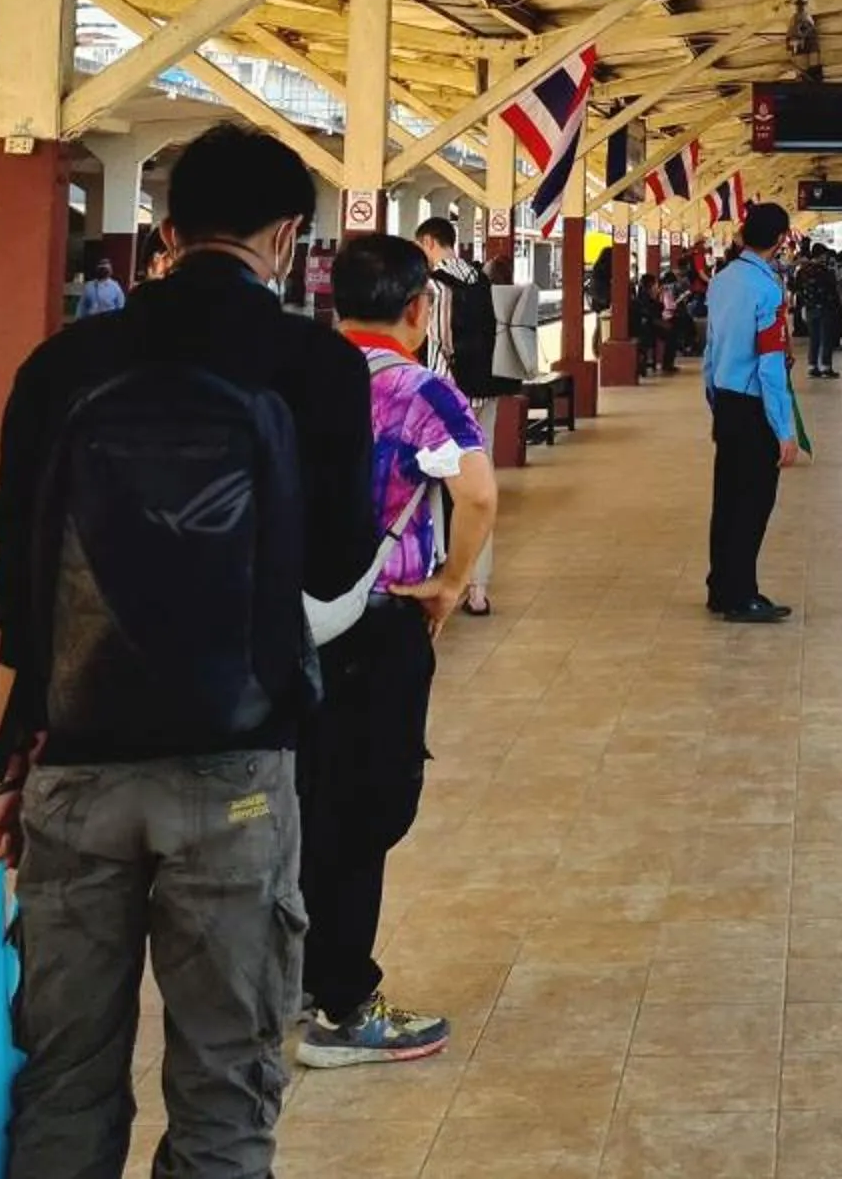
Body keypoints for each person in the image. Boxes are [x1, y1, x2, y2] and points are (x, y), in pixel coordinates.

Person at [0, 123, 376, 1179]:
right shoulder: (318, 365)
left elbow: (15, 567)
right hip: (237, 769)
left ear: (165, 229)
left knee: (61, 1072)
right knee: (224, 1076)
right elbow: (340, 562)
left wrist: (14, 747)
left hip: (76, 757)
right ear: (289, 236)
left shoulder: (65, 361)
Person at [302, 234, 496, 1068]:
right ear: (419, 309)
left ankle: (300, 975)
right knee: (370, 806)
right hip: (380, 623)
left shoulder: (292, 377)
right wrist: (451, 583)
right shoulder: (423, 390)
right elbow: (477, 494)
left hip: (286, 626)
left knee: (306, 799)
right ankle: (345, 1006)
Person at [701, 203, 800, 622]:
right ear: (779, 240)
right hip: (754, 406)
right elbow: (771, 365)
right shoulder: (769, 290)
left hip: (725, 400)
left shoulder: (720, 282)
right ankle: (743, 594)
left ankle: (720, 588)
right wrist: (785, 428)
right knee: (753, 502)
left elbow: (711, 349)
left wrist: (714, 400)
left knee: (726, 499)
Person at [413, 216, 502, 616]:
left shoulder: (432, 285)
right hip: (484, 392)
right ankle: (478, 587)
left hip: (447, 398)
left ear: (430, 243)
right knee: (481, 486)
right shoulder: (480, 279)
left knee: (437, 487)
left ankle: (444, 575)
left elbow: (436, 341)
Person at [798, 245, 842, 380]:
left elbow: (797, 289)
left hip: (810, 309)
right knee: (826, 338)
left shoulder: (802, 271)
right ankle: (825, 367)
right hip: (825, 309)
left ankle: (812, 367)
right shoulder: (825, 271)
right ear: (822, 255)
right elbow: (833, 290)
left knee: (814, 338)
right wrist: (837, 305)